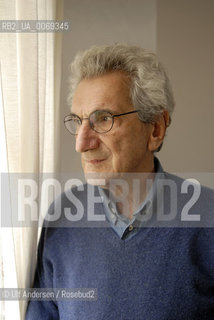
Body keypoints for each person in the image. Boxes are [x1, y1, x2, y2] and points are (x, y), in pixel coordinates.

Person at [26, 44, 214, 319]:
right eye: (78, 121)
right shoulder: (61, 217)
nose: (82, 143)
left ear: (156, 129)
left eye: (103, 119)